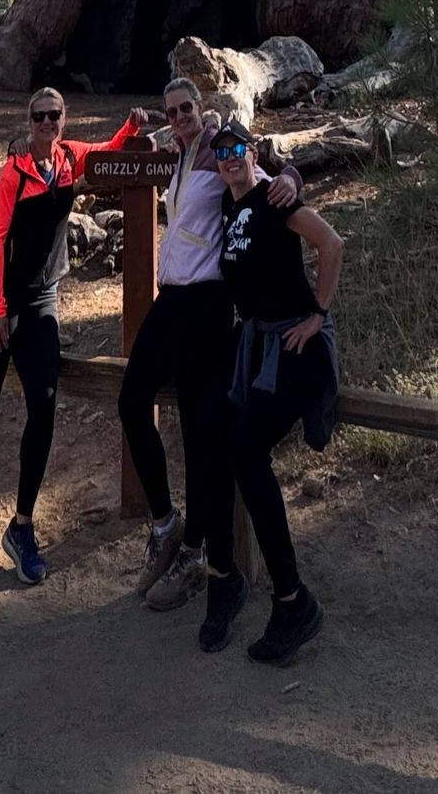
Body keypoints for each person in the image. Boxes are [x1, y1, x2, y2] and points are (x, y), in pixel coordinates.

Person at [116, 76, 301, 651]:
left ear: (204, 108)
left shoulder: (221, 151)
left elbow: (268, 179)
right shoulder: (177, 156)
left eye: (187, 108)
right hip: (171, 297)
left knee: (200, 432)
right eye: (171, 111)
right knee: (131, 399)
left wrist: (292, 176)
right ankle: (167, 527)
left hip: (206, 301)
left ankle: (199, 555)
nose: (179, 118)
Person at [0, 84, 146, 583]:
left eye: (54, 116)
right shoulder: (15, 172)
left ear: (64, 120)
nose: (47, 124)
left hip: (43, 299)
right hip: (3, 303)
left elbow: (105, 153)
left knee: (43, 407)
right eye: (39, 116)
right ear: (28, 121)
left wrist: (130, 129)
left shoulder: (68, 159)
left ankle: (21, 526)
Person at [210, 118, 343, 665]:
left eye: (238, 148)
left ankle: (292, 600)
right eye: (221, 151)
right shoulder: (229, 207)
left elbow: (331, 245)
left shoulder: (273, 198)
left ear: (253, 152)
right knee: (225, 439)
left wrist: (318, 314)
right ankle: (234, 577)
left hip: (296, 347)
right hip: (259, 349)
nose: (230, 158)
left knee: (245, 448)